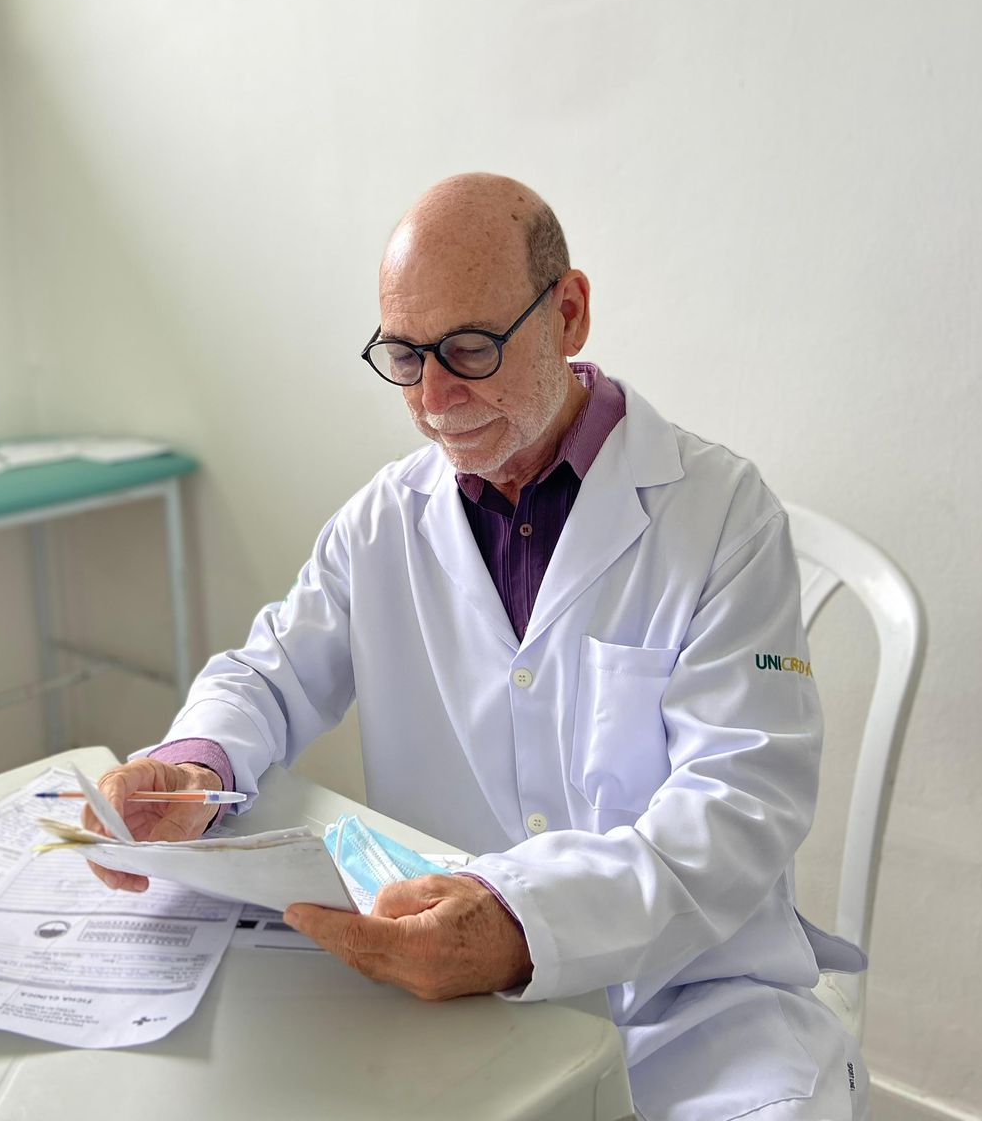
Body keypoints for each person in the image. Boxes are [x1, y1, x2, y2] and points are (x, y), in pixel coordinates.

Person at [85, 173, 868, 1120]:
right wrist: (194, 765)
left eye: (469, 348)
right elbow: (269, 675)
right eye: (404, 355)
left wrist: (521, 920)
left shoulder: (720, 514)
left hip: (690, 1005)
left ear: (568, 314)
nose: (434, 397)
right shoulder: (383, 520)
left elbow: (741, 804)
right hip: (448, 1003)